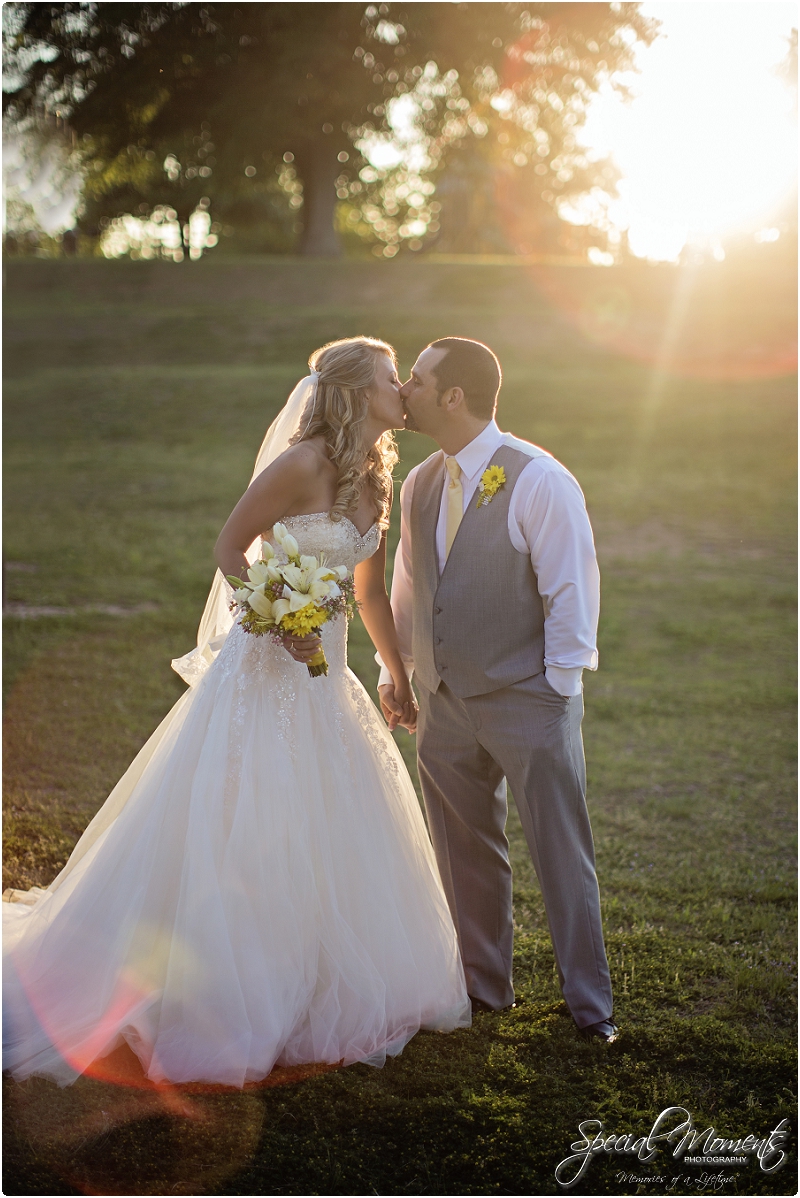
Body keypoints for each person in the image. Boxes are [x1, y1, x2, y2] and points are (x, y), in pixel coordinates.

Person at [3, 336, 470, 1089]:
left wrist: (395, 671)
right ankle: (212, 983)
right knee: (242, 820)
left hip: (327, 678)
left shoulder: (377, 479)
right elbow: (229, 547)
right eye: (393, 379)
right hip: (263, 676)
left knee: (331, 824)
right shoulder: (300, 464)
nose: (404, 390)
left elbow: (370, 592)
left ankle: (316, 975)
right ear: (355, 392)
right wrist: (275, 608)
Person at [377, 337, 617, 1041]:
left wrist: (556, 691)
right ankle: (485, 990)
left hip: (530, 702)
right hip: (441, 703)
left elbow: (572, 590)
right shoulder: (420, 482)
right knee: (463, 848)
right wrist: (400, 674)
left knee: (560, 852)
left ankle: (590, 1009)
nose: (404, 390)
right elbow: (409, 589)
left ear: (453, 397)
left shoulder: (539, 478)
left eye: (416, 380)